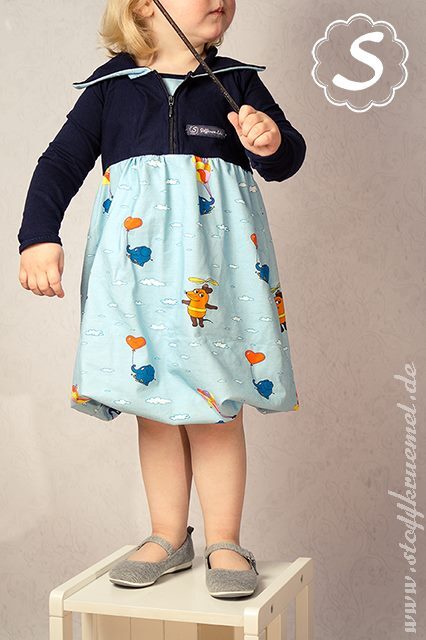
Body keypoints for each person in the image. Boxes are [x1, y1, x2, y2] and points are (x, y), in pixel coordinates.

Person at [17, 0, 306, 597]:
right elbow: (60, 163)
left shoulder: (236, 83)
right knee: (153, 403)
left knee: (216, 399)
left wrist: (271, 139)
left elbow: (286, 160)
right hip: (136, 276)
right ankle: (168, 534)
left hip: (217, 278)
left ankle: (225, 540)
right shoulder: (111, 88)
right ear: (145, 6)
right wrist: (38, 235)